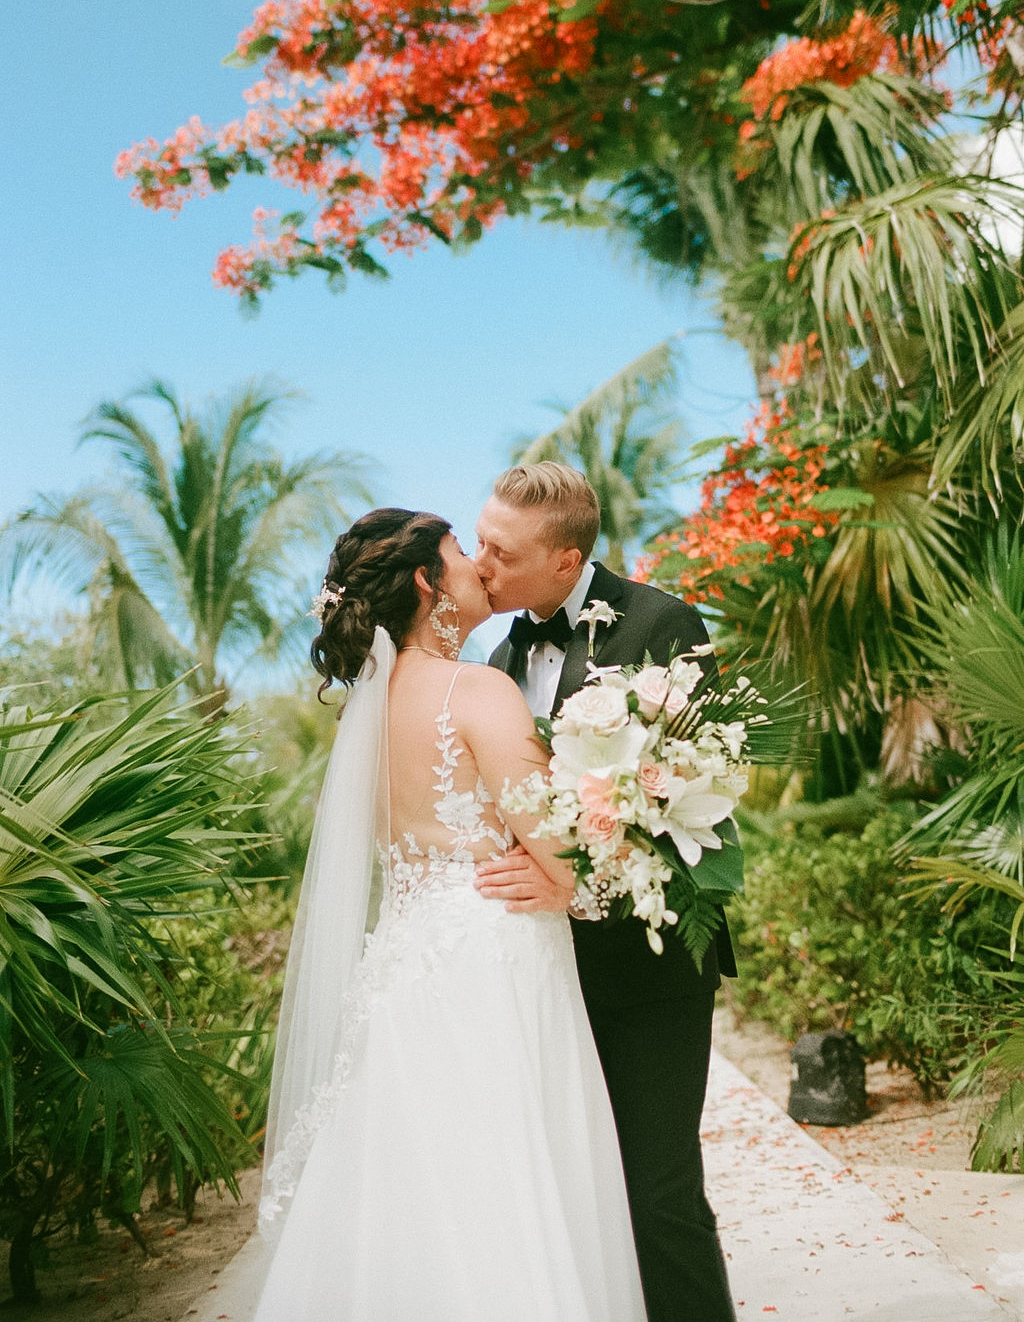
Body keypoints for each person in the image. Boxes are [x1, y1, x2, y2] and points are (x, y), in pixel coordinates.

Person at [250, 507, 646, 1322]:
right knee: (512, 1174)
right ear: (430, 584)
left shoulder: (369, 713)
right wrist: (595, 860)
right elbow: (560, 850)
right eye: (462, 552)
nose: (480, 564)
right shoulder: (479, 689)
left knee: (415, 1183)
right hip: (494, 956)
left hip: (402, 966)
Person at [475, 463, 738, 1322]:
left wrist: (580, 889)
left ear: (565, 560)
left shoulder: (663, 622)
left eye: (500, 551)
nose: (481, 564)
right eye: (479, 542)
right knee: (577, 1195)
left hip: (649, 963)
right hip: (544, 974)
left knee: (660, 1190)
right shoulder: (501, 656)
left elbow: (700, 795)